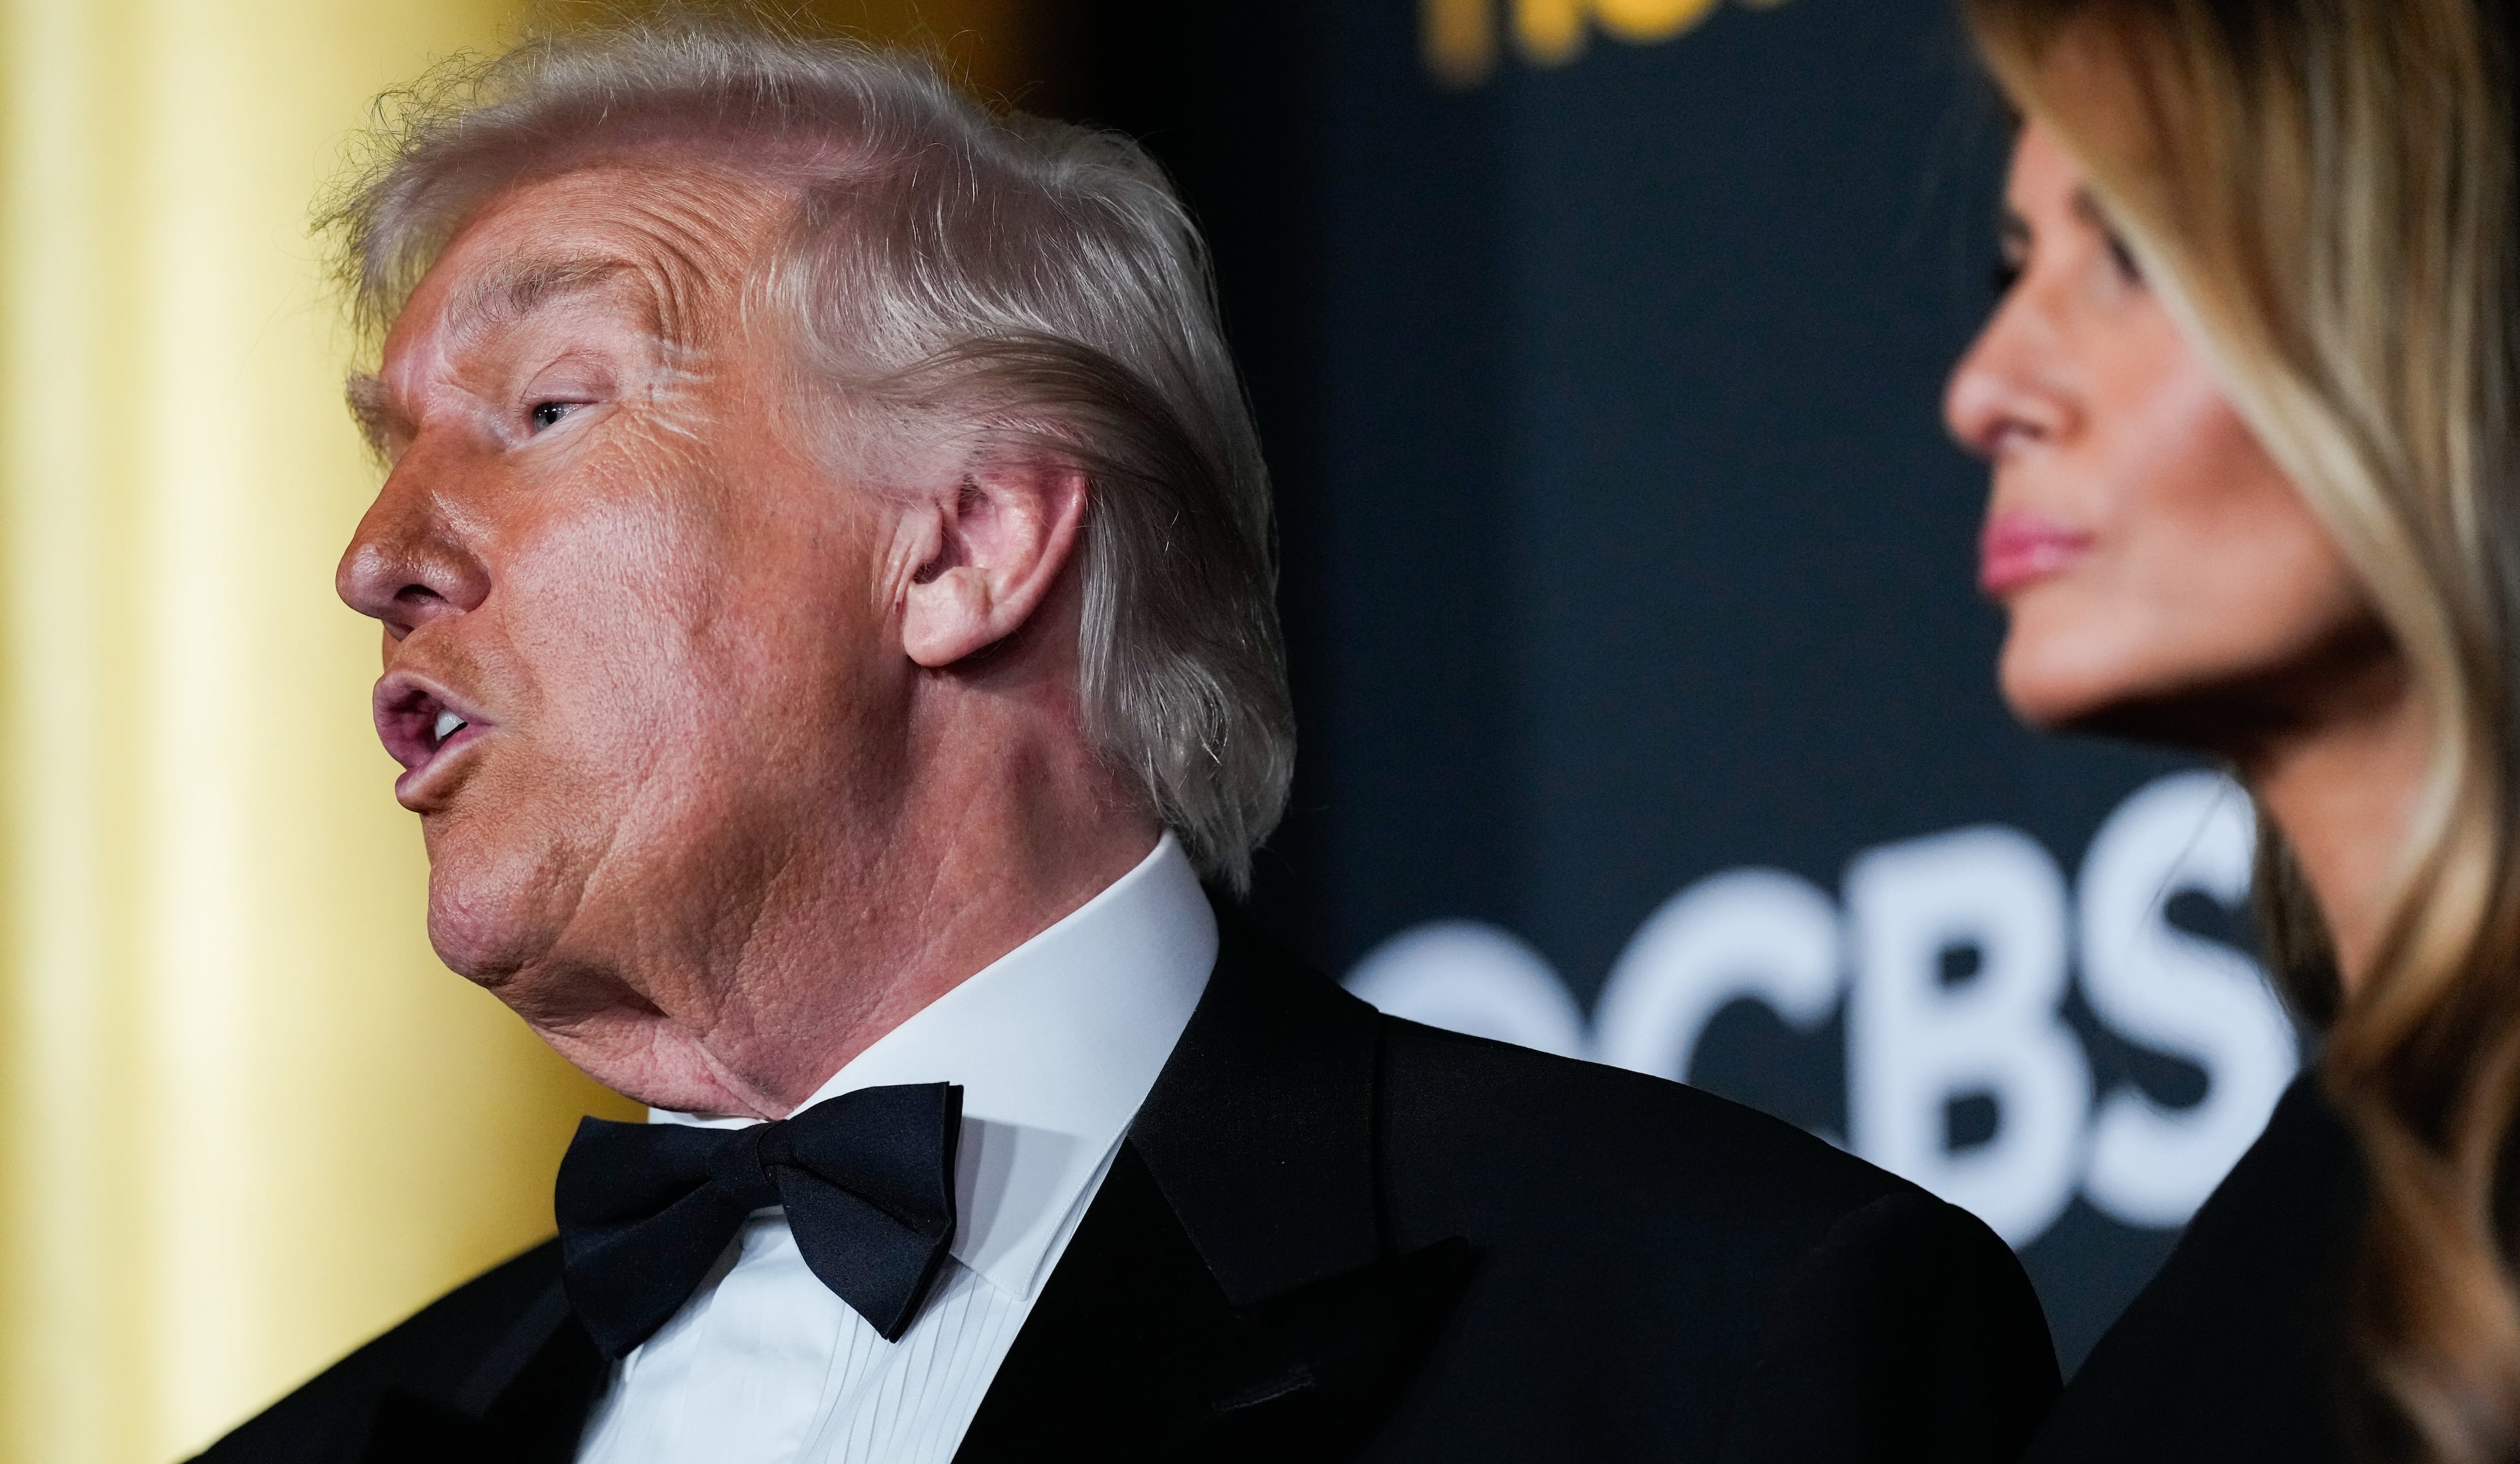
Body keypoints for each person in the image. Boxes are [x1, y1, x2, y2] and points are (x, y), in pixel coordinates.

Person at [199, 18, 2056, 1464]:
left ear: (966, 542)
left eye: (541, 407)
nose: (375, 559)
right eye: (390, 450)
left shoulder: (1714, 1336)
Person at [1944, 0, 2520, 1459]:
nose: (1984, 391)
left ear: (2455, 307)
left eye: (2128, 258)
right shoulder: (2216, 1329)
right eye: (2012, 264)